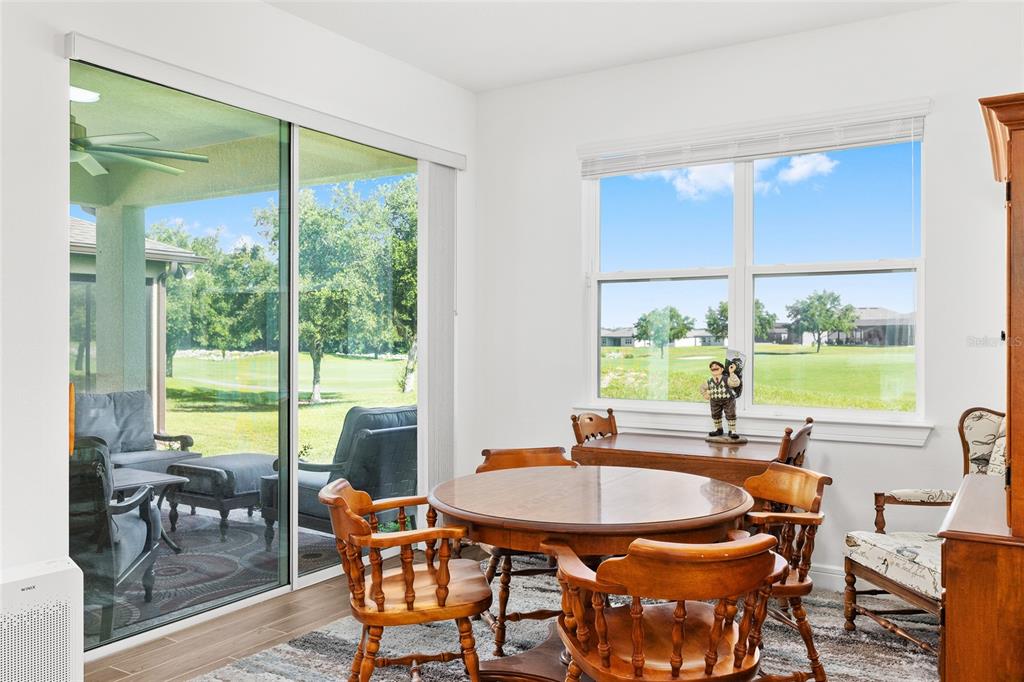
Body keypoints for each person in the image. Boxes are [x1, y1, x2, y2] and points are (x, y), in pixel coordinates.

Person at [700, 360, 741, 439]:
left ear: (722, 369)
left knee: (731, 414)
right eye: (712, 367)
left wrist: (731, 373)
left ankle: (732, 431)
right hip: (715, 401)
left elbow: (736, 383)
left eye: (716, 367)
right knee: (715, 415)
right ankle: (718, 429)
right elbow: (702, 388)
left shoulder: (726, 379)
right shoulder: (709, 381)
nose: (714, 368)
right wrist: (705, 394)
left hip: (728, 400)